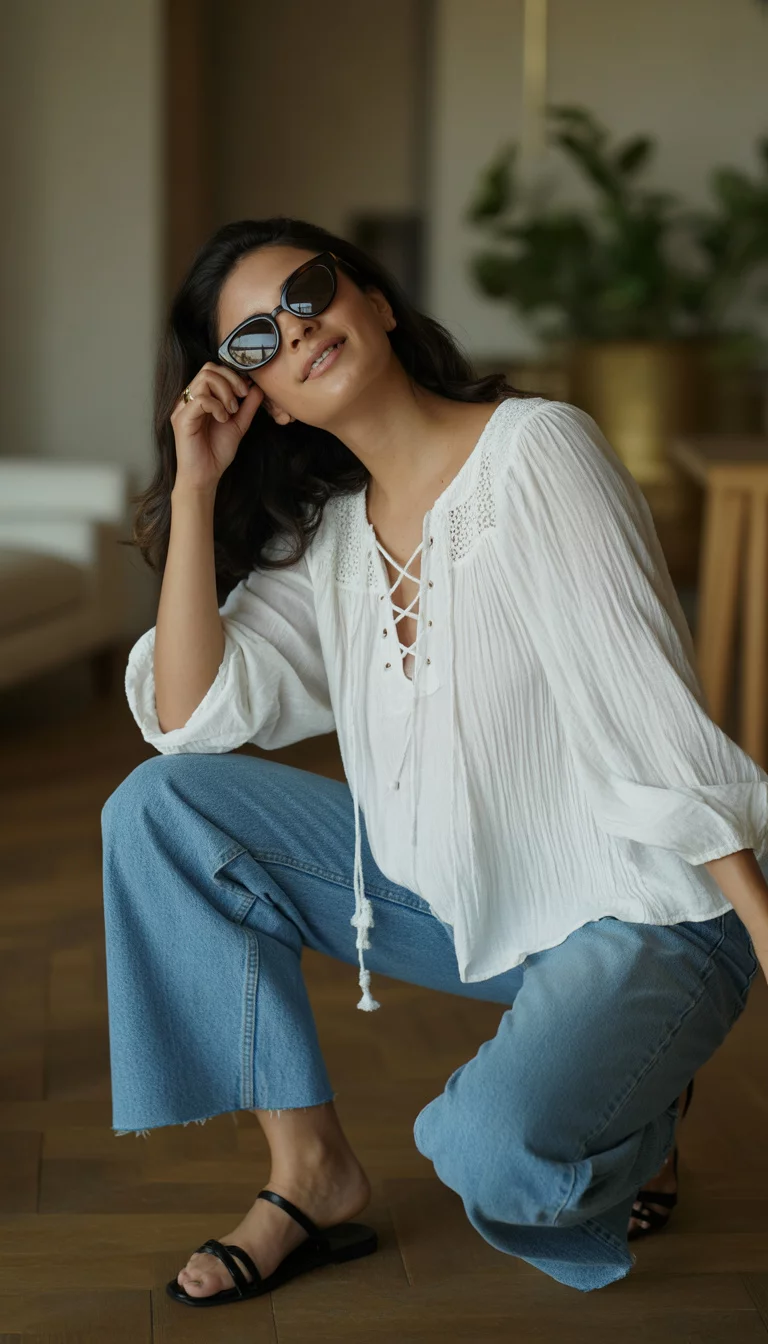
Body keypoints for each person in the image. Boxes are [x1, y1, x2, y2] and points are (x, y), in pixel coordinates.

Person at [100, 216, 768, 1307]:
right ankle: (309, 1172)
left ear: (376, 302)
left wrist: (758, 920)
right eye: (254, 343)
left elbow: (653, 707)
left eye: (309, 291)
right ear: (256, 397)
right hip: (474, 901)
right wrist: (195, 486)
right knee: (161, 809)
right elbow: (189, 719)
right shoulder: (335, 537)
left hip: (649, 906)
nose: (295, 330)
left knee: (488, 1156)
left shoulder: (537, 450)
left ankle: (638, 1112)